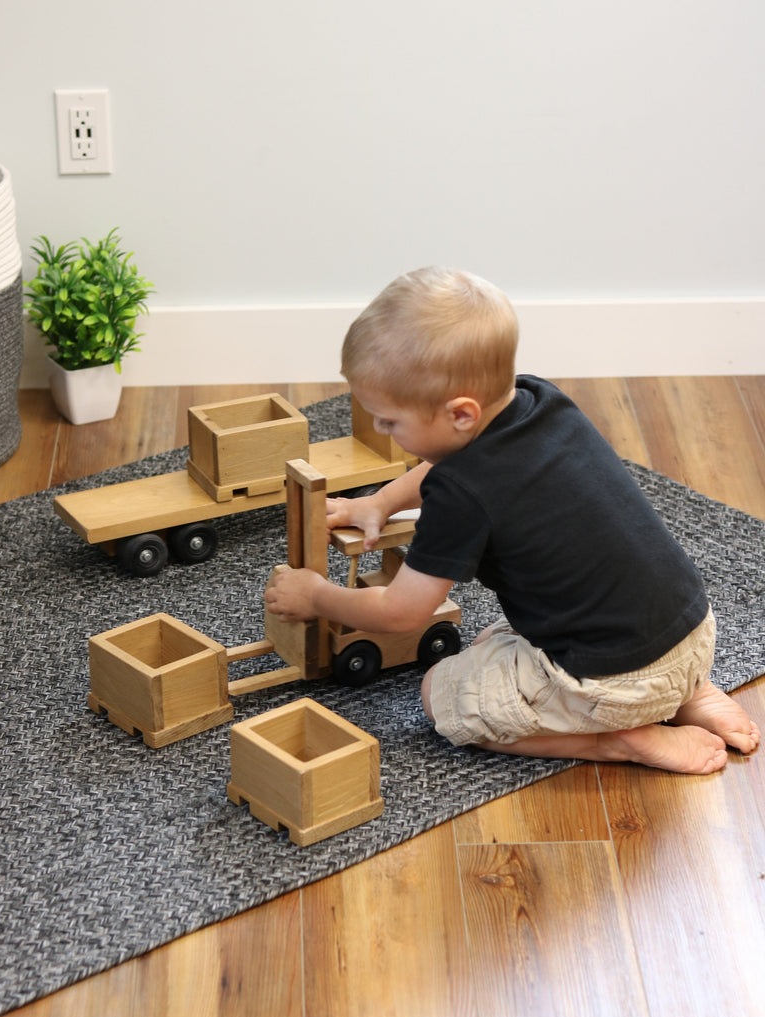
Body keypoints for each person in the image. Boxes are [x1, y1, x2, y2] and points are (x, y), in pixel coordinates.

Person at [265, 267, 759, 774]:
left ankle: (621, 741)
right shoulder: (538, 400)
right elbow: (451, 459)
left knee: (441, 695)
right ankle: (686, 693)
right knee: (487, 642)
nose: (379, 429)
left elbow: (401, 614)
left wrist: (316, 596)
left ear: (461, 415)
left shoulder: (459, 492)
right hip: (692, 632)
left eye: (390, 421)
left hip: (615, 680)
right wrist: (381, 501)